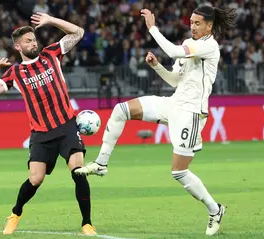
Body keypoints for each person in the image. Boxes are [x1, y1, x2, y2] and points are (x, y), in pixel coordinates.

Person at [75, 6, 236, 236]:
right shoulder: (189, 45)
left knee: (179, 172)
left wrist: (152, 28)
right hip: (173, 103)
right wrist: (156, 67)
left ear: (209, 26)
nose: (193, 26)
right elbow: (174, 81)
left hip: (191, 114)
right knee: (121, 110)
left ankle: (215, 209)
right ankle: (101, 164)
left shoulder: (208, 46)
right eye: (191, 22)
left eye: (198, 23)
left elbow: (171, 51)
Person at [0, 12, 96, 236]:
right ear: (17, 47)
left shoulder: (51, 54)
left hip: (66, 126)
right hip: (41, 133)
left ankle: (87, 223)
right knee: (36, 179)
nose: (33, 43)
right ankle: (15, 213)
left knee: (78, 172)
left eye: (33, 39)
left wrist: (51, 20)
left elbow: (79, 33)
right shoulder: (15, 73)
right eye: (27, 41)